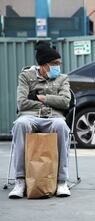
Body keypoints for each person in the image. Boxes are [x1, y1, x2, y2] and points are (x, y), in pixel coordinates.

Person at [9, 41, 71, 199]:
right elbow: (22, 102)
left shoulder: (63, 78)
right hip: (30, 115)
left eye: (59, 64)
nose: (58, 67)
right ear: (44, 65)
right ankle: (20, 180)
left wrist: (39, 97)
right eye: (55, 64)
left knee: (62, 126)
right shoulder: (26, 76)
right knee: (20, 125)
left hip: (54, 116)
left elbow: (65, 102)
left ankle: (61, 181)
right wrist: (51, 99)